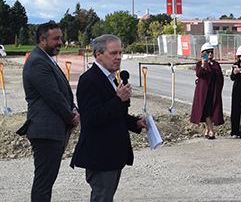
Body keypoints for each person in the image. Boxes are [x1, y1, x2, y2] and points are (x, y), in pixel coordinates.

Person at [70, 34, 149, 202]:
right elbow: (91, 118)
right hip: (100, 156)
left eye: (120, 53)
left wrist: (135, 122)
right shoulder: (90, 80)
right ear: (98, 54)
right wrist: (118, 100)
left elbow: (115, 114)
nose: (119, 57)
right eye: (113, 53)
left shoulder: (112, 78)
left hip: (113, 155)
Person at [21, 22, 80, 201]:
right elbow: (53, 96)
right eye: (56, 38)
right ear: (42, 39)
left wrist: (74, 109)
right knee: (44, 182)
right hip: (45, 131)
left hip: (52, 130)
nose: (60, 42)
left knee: (47, 180)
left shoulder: (46, 58)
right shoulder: (37, 61)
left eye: (61, 38)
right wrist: (71, 117)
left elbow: (63, 93)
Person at [190, 43, 224, 139]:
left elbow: (220, 78)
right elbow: (199, 74)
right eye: (207, 52)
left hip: (214, 92)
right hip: (204, 93)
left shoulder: (216, 64)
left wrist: (219, 89)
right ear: (203, 54)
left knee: (213, 112)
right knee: (207, 112)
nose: (210, 54)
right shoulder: (199, 64)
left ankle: (207, 131)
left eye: (211, 52)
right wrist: (203, 64)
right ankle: (212, 132)